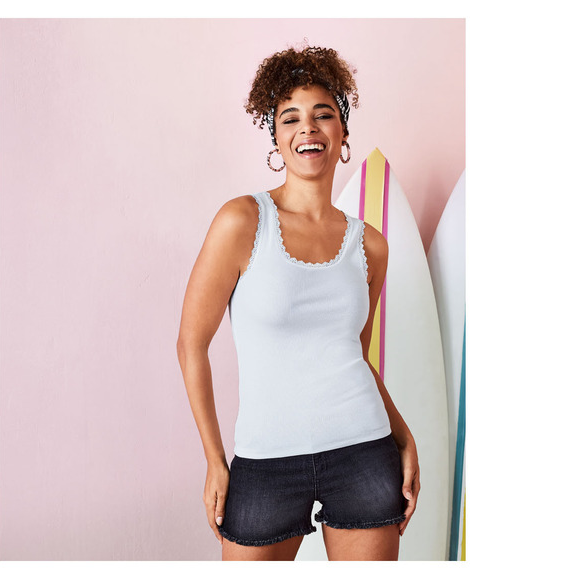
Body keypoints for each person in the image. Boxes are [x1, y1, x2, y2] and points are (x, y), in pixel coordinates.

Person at [176, 45, 420, 561]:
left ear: (343, 133)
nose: (307, 127)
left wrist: (403, 436)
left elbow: (355, 355)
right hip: (265, 463)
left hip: (364, 452)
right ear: (277, 139)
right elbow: (190, 344)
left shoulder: (371, 245)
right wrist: (215, 460)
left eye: (322, 114)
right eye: (290, 118)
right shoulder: (242, 221)